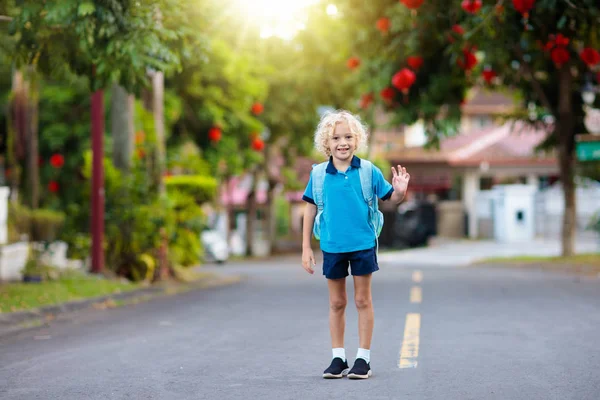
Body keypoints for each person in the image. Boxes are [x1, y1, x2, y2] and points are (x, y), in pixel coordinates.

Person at [301, 110, 410, 380]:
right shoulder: (318, 174)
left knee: (363, 300)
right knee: (337, 303)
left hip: (362, 243)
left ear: (357, 139)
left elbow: (390, 199)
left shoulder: (368, 171)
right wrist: (305, 248)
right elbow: (309, 210)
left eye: (348, 136)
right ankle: (338, 357)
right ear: (327, 143)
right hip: (332, 245)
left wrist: (400, 192)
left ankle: (363, 358)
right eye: (336, 137)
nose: (343, 142)